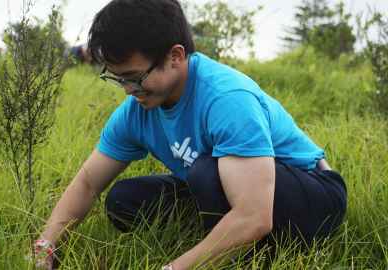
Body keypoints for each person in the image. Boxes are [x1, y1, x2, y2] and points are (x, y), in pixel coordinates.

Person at [34, 0, 347, 269]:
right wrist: (46, 245)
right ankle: (220, 239)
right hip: (228, 184)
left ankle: (255, 254)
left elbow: (255, 216)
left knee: (206, 173)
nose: (129, 91)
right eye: (118, 80)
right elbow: (88, 183)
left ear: (175, 56)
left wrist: (174, 267)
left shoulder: (226, 99)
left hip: (314, 194)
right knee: (124, 200)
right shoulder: (138, 109)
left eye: (134, 78)